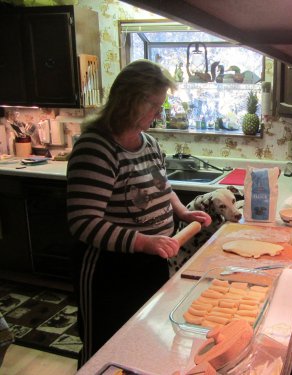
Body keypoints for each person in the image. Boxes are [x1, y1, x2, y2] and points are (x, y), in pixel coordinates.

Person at [66, 59, 211, 366]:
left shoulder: (149, 143)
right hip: (109, 270)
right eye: (155, 106)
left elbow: (162, 186)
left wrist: (183, 212)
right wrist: (144, 241)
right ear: (130, 101)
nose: (160, 114)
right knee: (103, 350)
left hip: (151, 262)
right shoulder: (96, 148)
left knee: (141, 340)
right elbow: (83, 222)